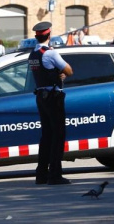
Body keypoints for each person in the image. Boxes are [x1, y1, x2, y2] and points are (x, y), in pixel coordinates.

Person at [28, 21, 73, 185]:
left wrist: (56, 73)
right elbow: (69, 70)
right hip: (53, 97)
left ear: (36, 36)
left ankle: (41, 174)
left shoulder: (33, 54)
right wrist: (60, 73)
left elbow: (43, 72)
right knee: (58, 135)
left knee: (46, 135)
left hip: (41, 96)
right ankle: (55, 174)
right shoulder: (50, 53)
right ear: (49, 35)